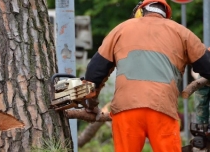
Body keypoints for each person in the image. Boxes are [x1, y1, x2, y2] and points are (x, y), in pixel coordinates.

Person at [84, 0, 210, 151]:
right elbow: (207, 67)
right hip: (162, 109)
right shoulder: (182, 32)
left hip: (126, 110)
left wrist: (91, 104)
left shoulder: (121, 29)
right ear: (166, 15)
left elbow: (94, 72)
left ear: (140, 12)